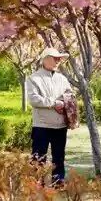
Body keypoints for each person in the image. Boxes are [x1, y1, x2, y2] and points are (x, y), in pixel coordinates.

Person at [27, 47, 72, 187]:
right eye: (55, 58)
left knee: (59, 156)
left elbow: (70, 95)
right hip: (42, 125)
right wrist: (54, 103)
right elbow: (34, 99)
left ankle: (58, 182)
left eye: (59, 58)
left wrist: (65, 102)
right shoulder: (34, 78)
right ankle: (36, 183)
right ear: (45, 59)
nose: (58, 61)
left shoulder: (62, 78)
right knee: (39, 156)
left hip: (60, 125)